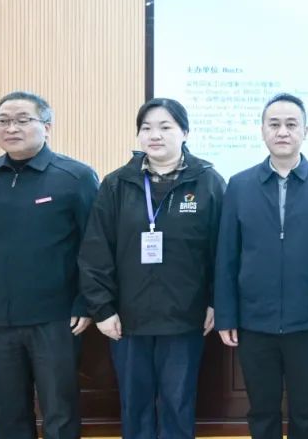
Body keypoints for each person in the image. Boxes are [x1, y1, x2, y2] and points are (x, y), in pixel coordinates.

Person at [0, 91, 99, 439]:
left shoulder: (75, 176)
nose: (11, 128)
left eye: (22, 120)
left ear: (47, 126)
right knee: (6, 414)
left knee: (60, 412)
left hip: (56, 318)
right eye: (3, 121)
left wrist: (85, 302)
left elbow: (94, 248)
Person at [79, 98, 225, 439]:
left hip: (186, 318)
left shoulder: (208, 182)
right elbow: (95, 251)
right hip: (127, 320)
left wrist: (216, 302)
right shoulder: (116, 184)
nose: (154, 135)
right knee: (135, 404)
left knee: (178, 402)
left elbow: (223, 251)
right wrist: (102, 309)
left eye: (165, 127)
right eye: (146, 128)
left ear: (185, 132)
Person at [215, 93, 308, 439]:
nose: (283, 132)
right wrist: (226, 315)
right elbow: (227, 256)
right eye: (274, 124)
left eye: (291, 124)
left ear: (306, 131)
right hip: (254, 321)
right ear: (262, 130)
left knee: (306, 411)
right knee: (262, 411)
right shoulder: (240, 185)